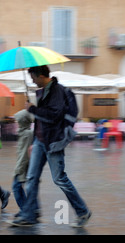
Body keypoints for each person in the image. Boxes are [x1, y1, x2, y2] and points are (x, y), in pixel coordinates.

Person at [9, 65, 91, 228]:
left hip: (53, 142)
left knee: (59, 179)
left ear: (40, 75)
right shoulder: (44, 92)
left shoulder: (57, 91)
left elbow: (53, 116)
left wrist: (33, 109)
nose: (32, 81)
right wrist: (34, 142)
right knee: (31, 179)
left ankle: (82, 211)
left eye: (33, 77)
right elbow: (41, 121)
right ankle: (29, 215)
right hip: (40, 141)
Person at [11, 109, 35, 215]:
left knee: (16, 187)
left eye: (18, 120)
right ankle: (26, 210)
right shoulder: (24, 133)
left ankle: (25, 210)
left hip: (23, 166)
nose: (16, 122)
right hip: (23, 165)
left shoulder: (26, 134)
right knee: (19, 187)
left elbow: (24, 154)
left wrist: (19, 169)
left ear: (22, 121)